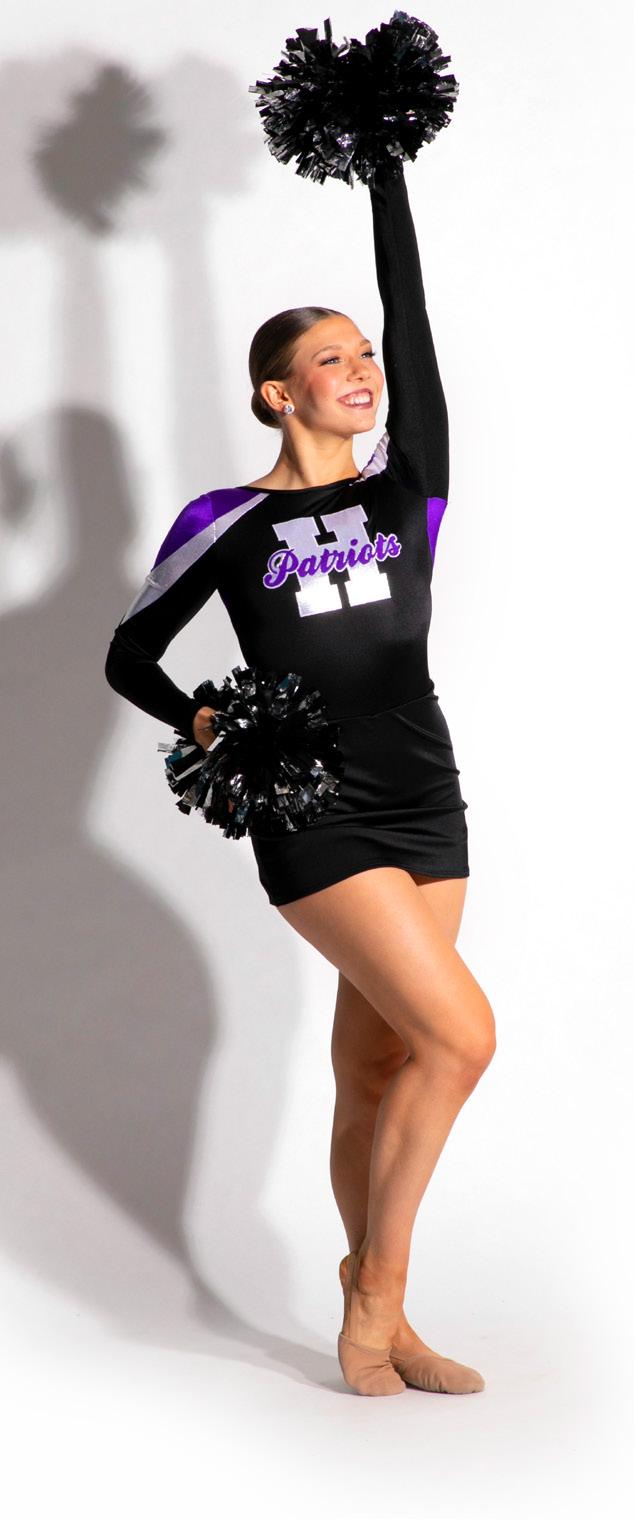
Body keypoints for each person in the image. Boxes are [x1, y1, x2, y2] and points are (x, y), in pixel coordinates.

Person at [105, 161, 496, 1396]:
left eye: (363, 354)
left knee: (378, 1065)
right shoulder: (223, 522)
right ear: (279, 393)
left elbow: (413, 324)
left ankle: (380, 1306)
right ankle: (373, 1293)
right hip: (313, 809)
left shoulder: (407, 486)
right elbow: (129, 653)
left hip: (426, 792)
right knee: (463, 1037)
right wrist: (210, 719)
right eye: (332, 358)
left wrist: (384, 172)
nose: (363, 369)